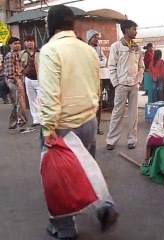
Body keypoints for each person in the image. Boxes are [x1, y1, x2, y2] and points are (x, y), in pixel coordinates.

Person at [39, 5, 118, 239]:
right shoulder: (87, 50)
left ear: (50, 25)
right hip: (88, 121)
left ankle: (64, 228)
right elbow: (96, 86)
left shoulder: (50, 50)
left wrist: (48, 127)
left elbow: (50, 93)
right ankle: (104, 206)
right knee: (86, 168)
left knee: (58, 177)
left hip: (62, 125)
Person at [106, 19, 144, 150]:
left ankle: (131, 140)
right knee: (117, 113)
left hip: (134, 85)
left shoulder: (137, 48)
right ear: (126, 30)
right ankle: (111, 140)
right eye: (134, 29)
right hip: (121, 85)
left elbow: (141, 67)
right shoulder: (116, 46)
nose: (136, 32)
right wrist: (116, 83)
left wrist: (138, 80)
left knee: (134, 114)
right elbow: (111, 66)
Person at [4, 37, 34, 133]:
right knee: (20, 104)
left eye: (18, 43)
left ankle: (13, 123)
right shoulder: (10, 55)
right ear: (10, 45)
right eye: (15, 43)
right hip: (14, 81)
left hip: (16, 80)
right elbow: (10, 72)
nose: (17, 45)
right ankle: (22, 126)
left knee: (16, 104)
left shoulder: (17, 55)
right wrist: (18, 82)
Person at [86, 29, 109, 135]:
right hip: (86, 79)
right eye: (94, 37)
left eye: (97, 37)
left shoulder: (99, 49)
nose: (96, 39)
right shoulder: (84, 49)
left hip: (97, 79)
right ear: (89, 38)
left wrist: (94, 63)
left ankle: (97, 127)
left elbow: (104, 61)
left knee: (98, 104)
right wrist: (96, 62)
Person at [20, 35, 41, 127]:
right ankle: (36, 119)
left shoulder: (40, 52)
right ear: (25, 43)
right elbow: (19, 65)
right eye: (27, 41)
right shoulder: (22, 53)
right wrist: (22, 72)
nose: (29, 42)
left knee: (41, 99)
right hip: (28, 78)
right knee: (32, 100)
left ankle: (43, 118)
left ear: (34, 42)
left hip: (39, 79)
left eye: (31, 41)